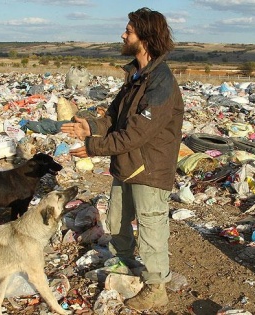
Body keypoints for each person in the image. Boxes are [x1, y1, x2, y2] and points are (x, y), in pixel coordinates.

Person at [60, 7, 184, 312]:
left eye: (128, 31)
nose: (123, 34)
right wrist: (90, 126)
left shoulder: (161, 84)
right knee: (116, 220)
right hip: (127, 164)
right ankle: (129, 264)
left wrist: (93, 146)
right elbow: (114, 117)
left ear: (144, 38)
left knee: (151, 226)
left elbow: (135, 135)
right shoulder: (136, 76)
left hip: (150, 168)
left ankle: (157, 288)